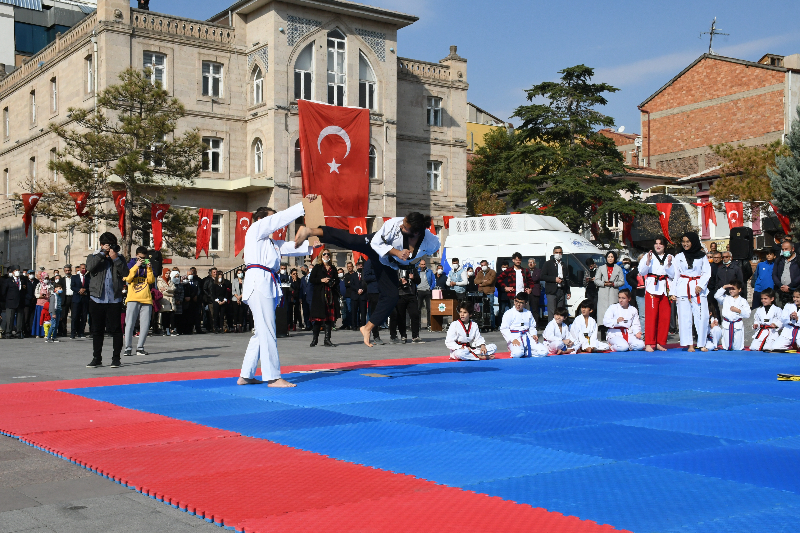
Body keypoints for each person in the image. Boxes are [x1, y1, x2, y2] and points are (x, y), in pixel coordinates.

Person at [295, 211, 440, 347]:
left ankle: (367, 328)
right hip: (376, 246)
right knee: (351, 240)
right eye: (403, 222)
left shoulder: (430, 241)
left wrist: (413, 259)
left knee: (391, 296)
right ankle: (309, 231)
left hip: (387, 264)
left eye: (405, 226)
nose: (401, 224)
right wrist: (397, 252)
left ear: (416, 232)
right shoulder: (394, 224)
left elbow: (432, 249)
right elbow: (376, 243)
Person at [239, 198, 314, 386]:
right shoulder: (254, 230)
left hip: (266, 282)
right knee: (268, 328)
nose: (274, 224)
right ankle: (273, 376)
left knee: (261, 331)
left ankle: (246, 375)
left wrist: (314, 243)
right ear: (260, 219)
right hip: (259, 281)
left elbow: (292, 247)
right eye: (270, 219)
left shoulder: (271, 243)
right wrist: (303, 207)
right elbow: (279, 219)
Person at [86, 232, 129, 368]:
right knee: (97, 330)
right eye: (107, 245)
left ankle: (116, 358)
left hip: (114, 299)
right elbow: (89, 268)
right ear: (101, 244)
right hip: (97, 299)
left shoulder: (119, 258)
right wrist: (101, 254)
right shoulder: (93, 256)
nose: (109, 248)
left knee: (116, 329)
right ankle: (96, 358)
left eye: (111, 245)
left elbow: (126, 274)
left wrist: (115, 258)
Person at [672, 232, 711, 352]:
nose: (685, 244)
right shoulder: (678, 256)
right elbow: (675, 275)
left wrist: (701, 285)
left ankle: (702, 343)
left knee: (702, 316)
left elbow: (707, 272)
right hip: (683, 287)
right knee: (684, 317)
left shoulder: (702, 256)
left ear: (693, 242)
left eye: (687, 241)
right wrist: (673, 291)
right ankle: (689, 344)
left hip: (697, 288)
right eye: (683, 241)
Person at [638, 236, 674, 352]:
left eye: (661, 244)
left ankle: (661, 342)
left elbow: (673, 275)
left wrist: (669, 265)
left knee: (665, 316)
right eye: (656, 243)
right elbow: (641, 272)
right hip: (652, 288)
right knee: (651, 317)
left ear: (664, 246)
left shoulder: (670, 257)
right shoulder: (648, 256)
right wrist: (647, 262)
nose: (658, 246)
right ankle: (649, 342)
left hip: (665, 288)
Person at [123, 247, 155, 357]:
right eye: (140, 257)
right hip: (132, 298)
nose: (142, 259)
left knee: (145, 325)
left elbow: (151, 281)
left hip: (146, 298)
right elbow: (128, 278)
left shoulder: (147, 265)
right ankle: (128, 348)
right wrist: (136, 265)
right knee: (130, 324)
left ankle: (140, 347)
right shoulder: (130, 264)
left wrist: (149, 269)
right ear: (136, 255)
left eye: (144, 258)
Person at [499, 292, 547, 357]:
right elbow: (504, 328)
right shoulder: (509, 313)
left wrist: (533, 334)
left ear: (525, 304)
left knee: (544, 351)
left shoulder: (528, 313)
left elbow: (532, 326)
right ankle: (515, 348)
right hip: (515, 337)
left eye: (521, 303)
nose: (518, 304)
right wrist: (512, 339)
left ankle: (525, 351)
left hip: (527, 337)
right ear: (514, 300)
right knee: (518, 354)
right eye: (516, 301)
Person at [309, 249, 338, 347]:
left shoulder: (333, 268)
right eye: (324, 254)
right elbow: (311, 279)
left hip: (330, 295)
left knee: (329, 320)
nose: (326, 256)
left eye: (328, 254)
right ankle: (315, 339)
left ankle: (327, 340)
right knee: (318, 319)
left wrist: (333, 282)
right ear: (321, 256)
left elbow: (337, 280)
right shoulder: (317, 267)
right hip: (320, 295)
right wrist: (322, 280)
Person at [714, 280, 751, 351]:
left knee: (737, 347)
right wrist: (725, 287)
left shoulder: (743, 301)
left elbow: (748, 314)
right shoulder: (725, 298)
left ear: (739, 290)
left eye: (733, 289)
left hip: (737, 325)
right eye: (730, 289)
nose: (731, 291)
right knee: (726, 347)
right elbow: (716, 296)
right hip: (727, 324)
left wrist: (739, 311)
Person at [594, 251, 624, 333]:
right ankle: (602, 331)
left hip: (613, 292)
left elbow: (622, 282)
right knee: (602, 312)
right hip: (603, 292)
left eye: (612, 257)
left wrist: (614, 284)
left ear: (614, 258)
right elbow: (596, 280)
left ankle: (613, 329)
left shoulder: (618, 268)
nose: (610, 258)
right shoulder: (601, 268)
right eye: (608, 257)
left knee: (613, 311)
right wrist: (604, 283)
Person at [389, 266, 421, 344]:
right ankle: (403, 335)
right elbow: (391, 282)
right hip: (400, 295)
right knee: (401, 316)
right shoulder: (395, 269)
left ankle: (415, 335)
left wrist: (413, 278)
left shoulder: (412, 268)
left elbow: (418, 281)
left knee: (415, 314)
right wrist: (400, 281)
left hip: (411, 295)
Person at [542, 247, 572, 322]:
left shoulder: (564, 265)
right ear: (553, 253)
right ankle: (551, 330)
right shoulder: (548, 263)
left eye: (560, 252)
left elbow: (566, 278)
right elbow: (542, 276)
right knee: (552, 312)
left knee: (560, 312)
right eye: (557, 252)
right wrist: (554, 279)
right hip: (552, 291)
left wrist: (568, 291)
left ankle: (560, 329)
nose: (558, 254)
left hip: (561, 290)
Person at [361, 259, 384, 344]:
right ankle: (375, 335)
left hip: (382, 291)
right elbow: (366, 277)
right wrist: (378, 275)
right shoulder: (369, 262)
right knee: (375, 313)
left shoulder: (382, 261)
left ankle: (393, 335)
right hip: (373, 291)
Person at [0, 266, 26, 339]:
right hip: (10, 302)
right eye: (16, 270)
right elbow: (3, 292)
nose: (17, 272)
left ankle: (19, 333)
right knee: (10, 319)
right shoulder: (8, 280)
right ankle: (8, 333)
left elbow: (24, 291)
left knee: (19, 319)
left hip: (20, 302)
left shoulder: (22, 280)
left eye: (18, 270)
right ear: (13, 272)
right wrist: (8, 299)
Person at [773, 241, 800, 306]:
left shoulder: (798, 260)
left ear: (792, 249)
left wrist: (789, 286)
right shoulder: (779, 260)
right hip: (780, 291)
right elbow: (774, 274)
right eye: (783, 249)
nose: (784, 251)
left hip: (794, 290)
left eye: (786, 249)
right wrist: (780, 285)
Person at [474, 259, 497, 329]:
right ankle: (483, 325)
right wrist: (483, 281)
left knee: (490, 309)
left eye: (484, 265)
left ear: (487, 265)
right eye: (482, 265)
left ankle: (492, 325)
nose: (483, 267)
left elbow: (490, 281)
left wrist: (481, 284)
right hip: (481, 293)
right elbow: (475, 280)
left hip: (489, 293)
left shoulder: (492, 272)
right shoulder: (480, 272)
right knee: (481, 309)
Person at [345, 261, 365, 331]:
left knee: (363, 312)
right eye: (359, 266)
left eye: (361, 266)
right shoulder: (353, 275)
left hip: (363, 295)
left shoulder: (365, 275)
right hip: (355, 295)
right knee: (354, 311)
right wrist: (357, 290)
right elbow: (351, 284)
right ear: (356, 267)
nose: (360, 267)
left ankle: (363, 326)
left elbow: (366, 284)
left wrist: (362, 289)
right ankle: (354, 325)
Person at [70, 264, 90, 338]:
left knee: (84, 317)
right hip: (76, 299)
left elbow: (90, 286)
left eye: (85, 268)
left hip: (85, 299)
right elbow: (72, 286)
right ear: (80, 269)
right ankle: (73, 333)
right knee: (75, 317)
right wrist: (79, 290)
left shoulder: (88, 277)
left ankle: (81, 332)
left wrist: (85, 289)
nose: (83, 269)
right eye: (82, 268)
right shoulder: (74, 277)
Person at [32, 271, 52, 338]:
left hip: (47, 304)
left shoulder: (50, 285)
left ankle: (45, 333)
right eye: (45, 278)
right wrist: (40, 296)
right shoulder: (39, 285)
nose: (46, 279)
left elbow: (52, 293)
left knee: (46, 319)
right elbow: (36, 293)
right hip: (40, 304)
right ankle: (38, 333)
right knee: (39, 318)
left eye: (47, 278)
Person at [416, 259, 434, 330]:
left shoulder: (429, 271)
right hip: (419, 291)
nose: (423, 266)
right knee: (418, 308)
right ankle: (418, 324)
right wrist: (416, 288)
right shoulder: (417, 272)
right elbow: (414, 281)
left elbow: (433, 281)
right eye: (422, 264)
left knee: (429, 308)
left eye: (424, 264)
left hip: (427, 291)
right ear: (419, 265)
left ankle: (429, 324)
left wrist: (431, 288)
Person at [157, 268, 174, 336]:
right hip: (164, 300)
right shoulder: (160, 281)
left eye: (169, 273)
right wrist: (171, 292)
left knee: (171, 315)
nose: (168, 275)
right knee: (164, 315)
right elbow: (161, 291)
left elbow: (174, 289)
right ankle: (164, 329)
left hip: (171, 301)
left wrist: (166, 289)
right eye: (166, 273)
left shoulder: (171, 281)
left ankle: (169, 329)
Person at [57, 264, 73, 337]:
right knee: (63, 316)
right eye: (66, 270)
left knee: (75, 316)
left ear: (71, 270)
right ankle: (63, 331)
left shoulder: (74, 278)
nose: (67, 272)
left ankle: (74, 331)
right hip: (64, 298)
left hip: (73, 298)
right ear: (64, 271)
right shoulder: (61, 280)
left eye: (69, 270)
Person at [527, 258, 543, 322]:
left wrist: (528, 280)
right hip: (527, 292)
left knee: (535, 310)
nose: (531, 264)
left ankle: (536, 325)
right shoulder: (525, 271)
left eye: (532, 262)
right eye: (529, 262)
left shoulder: (539, 270)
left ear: (535, 264)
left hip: (535, 292)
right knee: (526, 310)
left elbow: (536, 278)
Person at [232, 268, 246, 333]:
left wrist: (240, 297)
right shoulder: (234, 281)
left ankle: (240, 326)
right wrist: (237, 297)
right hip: (235, 298)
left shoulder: (245, 280)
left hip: (242, 298)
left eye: (241, 273)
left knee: (241, 313)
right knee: (235, 312)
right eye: (238, 273)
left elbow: (246, 290)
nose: (240, 274)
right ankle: (235, 326)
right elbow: (233, 290)